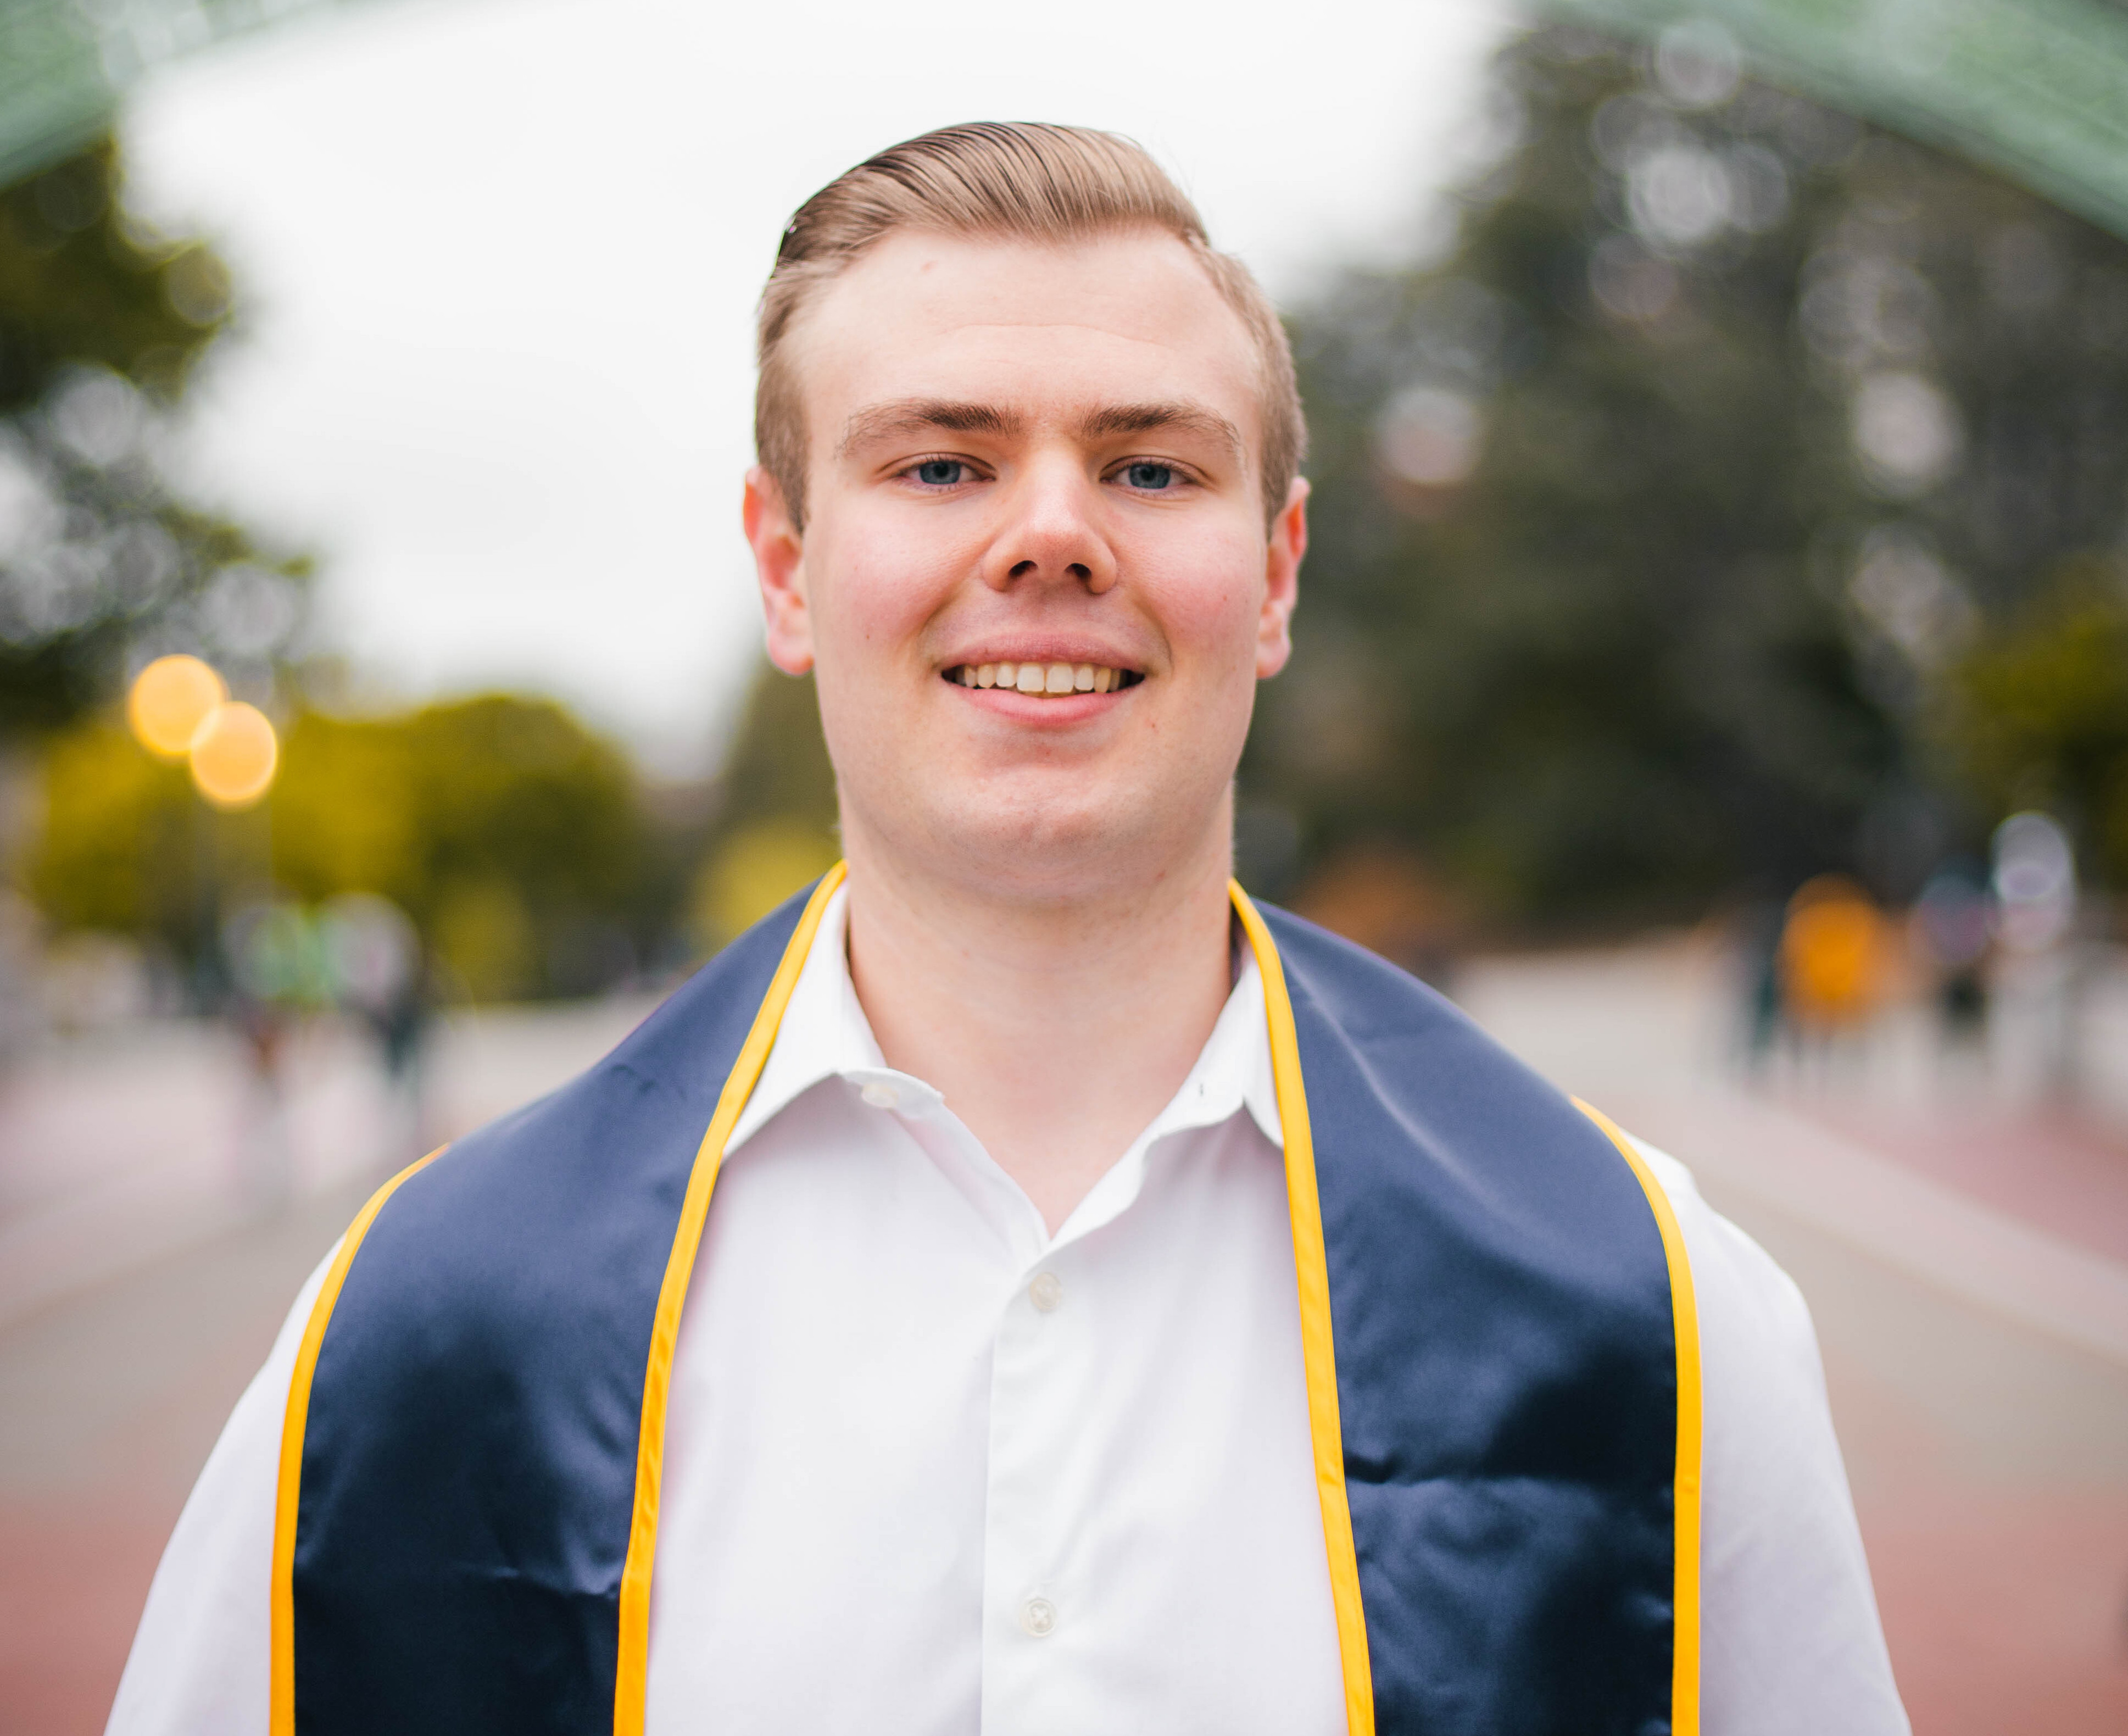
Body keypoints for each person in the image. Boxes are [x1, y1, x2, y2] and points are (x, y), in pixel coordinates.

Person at [107, 124, 1907, 1735]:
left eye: (1148, 471)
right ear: (788, 567)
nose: (1050, 535)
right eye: (942, 466)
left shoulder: (1647, 1309)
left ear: (1274, 576)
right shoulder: (416, 1335)